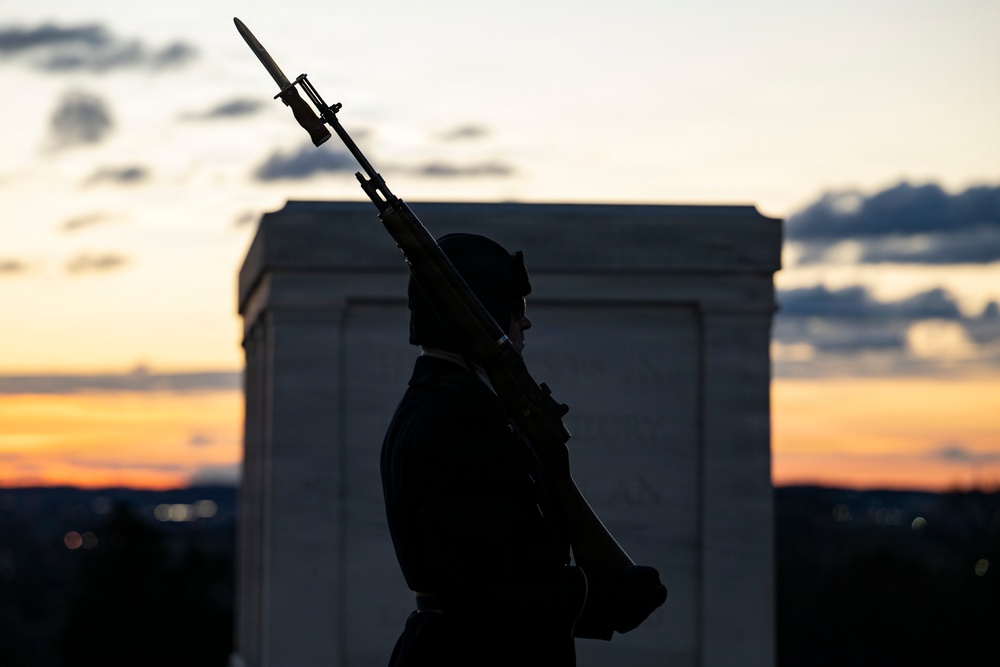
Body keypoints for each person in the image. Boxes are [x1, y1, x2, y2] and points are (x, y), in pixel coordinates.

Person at [381, 233, 667, 667]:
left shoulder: (432, 403)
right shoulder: (462, 419)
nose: (525, 324)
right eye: (517, 310)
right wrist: (607, 595)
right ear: (486, 318)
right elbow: (487, 590)